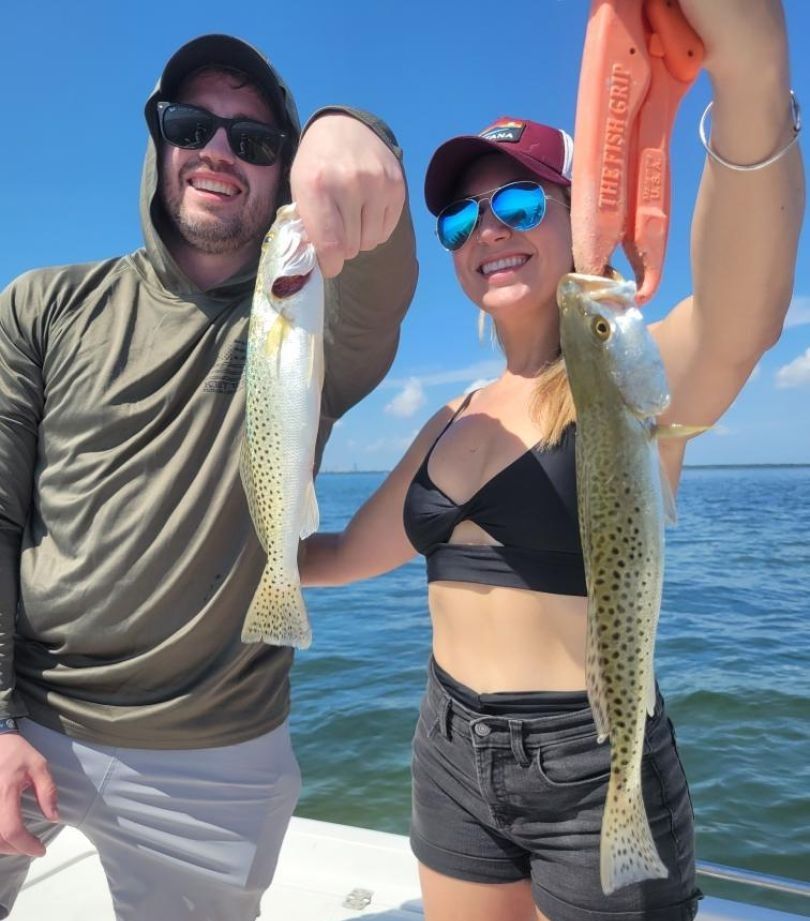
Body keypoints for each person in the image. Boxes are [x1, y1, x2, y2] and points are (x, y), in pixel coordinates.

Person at [299, 3, 804, 919]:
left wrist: (752, 71)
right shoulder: (450, 415)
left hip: (595, 761)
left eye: (522, 204)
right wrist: (220, 551)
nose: (488, 230)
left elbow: (746, 313)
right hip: (449, 748)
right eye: (461, 218)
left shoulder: (626, 378)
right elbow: (336, 557)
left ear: (582, 218)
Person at [0, 33, 417, 920]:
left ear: (287, 173)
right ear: (158, 143)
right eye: (192, 126)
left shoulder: (311, 313)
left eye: (257, 141)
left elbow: (380, 283)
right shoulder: (43, 305)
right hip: (21, 711)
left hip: (216, 754)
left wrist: (356, 129)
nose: (220, 151)